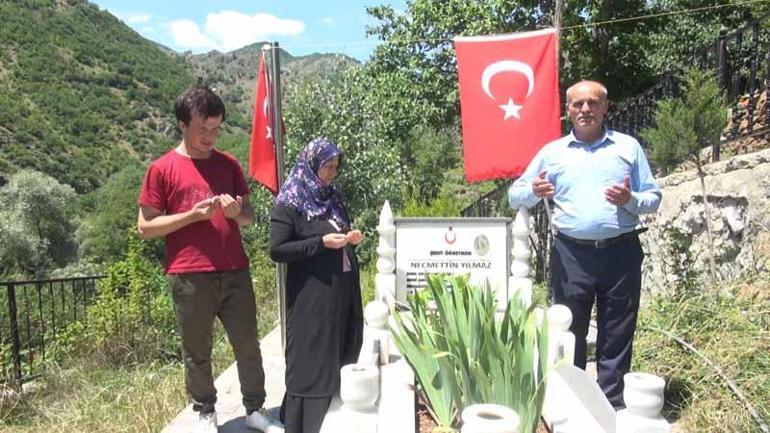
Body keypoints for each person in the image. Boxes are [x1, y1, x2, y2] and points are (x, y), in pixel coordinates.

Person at [137, 85, 282, 433]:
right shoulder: (162, 169)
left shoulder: (228, 163)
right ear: (182, 124)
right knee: (197, 350)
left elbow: (248, 216)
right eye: (203, 129)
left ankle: (255, 409)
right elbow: (146, 227)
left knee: (248, 344)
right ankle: (204, 413)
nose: (210, 136)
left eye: (216, 129)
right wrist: (191, 216)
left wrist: (235, 213)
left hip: (235, 269)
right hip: (189, 275)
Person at [508, 80, 662, 408]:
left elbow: (653, 198)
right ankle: (573, 402)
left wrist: (630, 199)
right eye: (577, 104)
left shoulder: (628, 147)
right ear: (568, 110)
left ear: (606, 108)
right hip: (571, 255)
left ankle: (611, 405)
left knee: (617, 331)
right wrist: (534, 191)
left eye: (593, 103)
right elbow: (514, 195)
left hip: (621, 253)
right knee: (568, 328)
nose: (585, 110)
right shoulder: (552, 153)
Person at [269, 138, 364, 433]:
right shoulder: (291, 201)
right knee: (312, 359)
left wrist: (350, 237)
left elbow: (339, 230)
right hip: (311, 300)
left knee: (337, 351)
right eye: (326, 166)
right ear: (311, 165)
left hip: (339, 294)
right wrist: (320, 243)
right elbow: (278, 250)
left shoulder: (332, 197)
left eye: (336, 167)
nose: (331, 173)